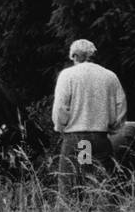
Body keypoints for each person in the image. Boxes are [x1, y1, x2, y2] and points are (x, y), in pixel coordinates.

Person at [52, 38, 127, 199]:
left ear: (73, 56)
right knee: (106, 189)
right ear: (93, 55)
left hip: (77, 140)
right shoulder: (110, 76)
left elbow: (60, 107)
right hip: (100, 139)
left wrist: (60, 126)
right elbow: (121, 105)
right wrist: (113, 127)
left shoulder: (67, 75)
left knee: (71, 188)